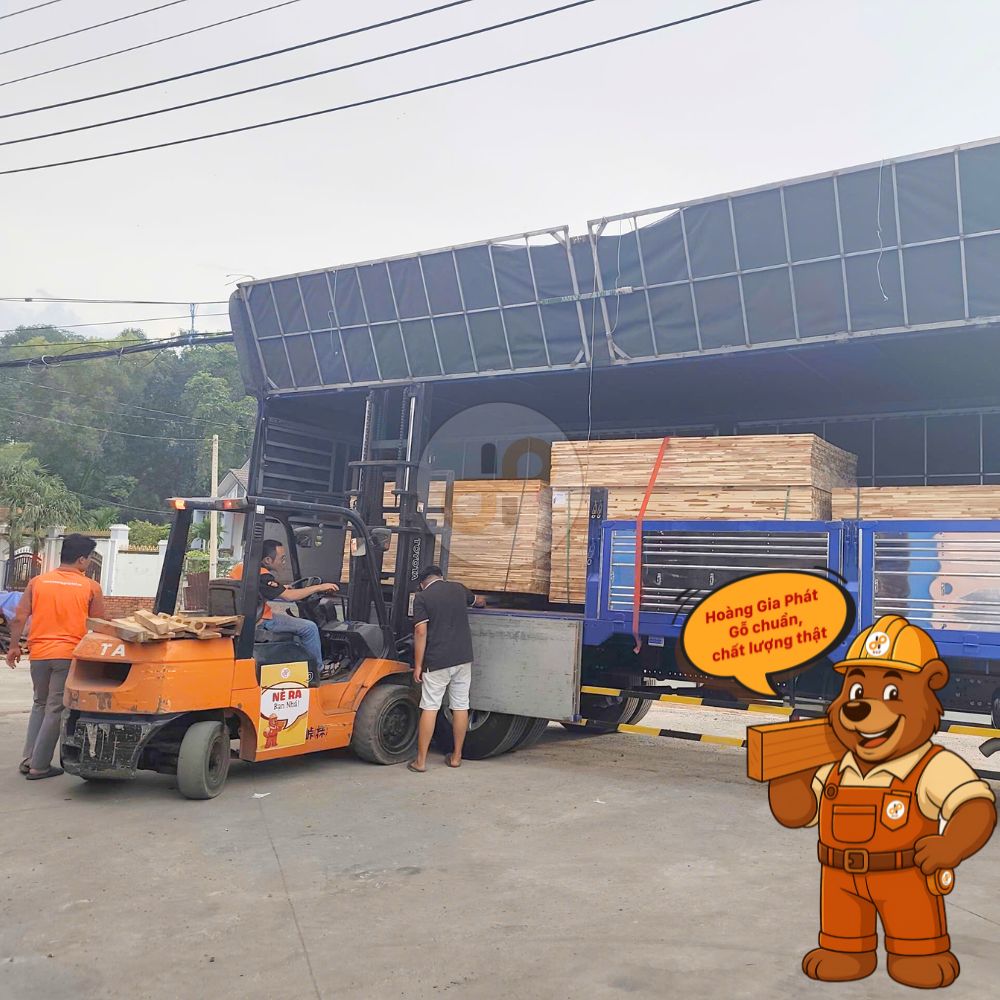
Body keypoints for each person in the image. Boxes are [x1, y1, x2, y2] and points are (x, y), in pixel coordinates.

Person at [6, 534, 105, 780]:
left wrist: (14, 647)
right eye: (89, 558)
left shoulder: (38, 582)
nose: (88, 563)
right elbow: (99, 624)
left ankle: (28, 759)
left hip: (38, 654)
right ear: (81, 559)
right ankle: (39, 766)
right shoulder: (90, 586)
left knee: (40, 703)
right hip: (67, 655)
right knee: (55, 708)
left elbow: (19, 618)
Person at [408, 565, 485, 773]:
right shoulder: (458, 588)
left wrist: (418, 665)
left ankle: (420, 762)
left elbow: (420, 631)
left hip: (437, 660)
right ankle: (456, 757)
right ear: (441, 577)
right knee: (460, 706)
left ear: (422, 583)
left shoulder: (422, 598)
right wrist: (484, 601)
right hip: (462, 658)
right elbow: (478, 601)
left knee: (430, 707)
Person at [231, 539, 338, 683]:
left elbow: (263, 589)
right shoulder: (263, 575)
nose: (283, 562)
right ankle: (317, 670)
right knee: (309, 628)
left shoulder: (242, 568)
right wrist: (319, 587)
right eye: (281, 558)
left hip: (246, 617)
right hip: (260, 621)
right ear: (268, 560)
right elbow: (289, 597)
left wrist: (282, 588)